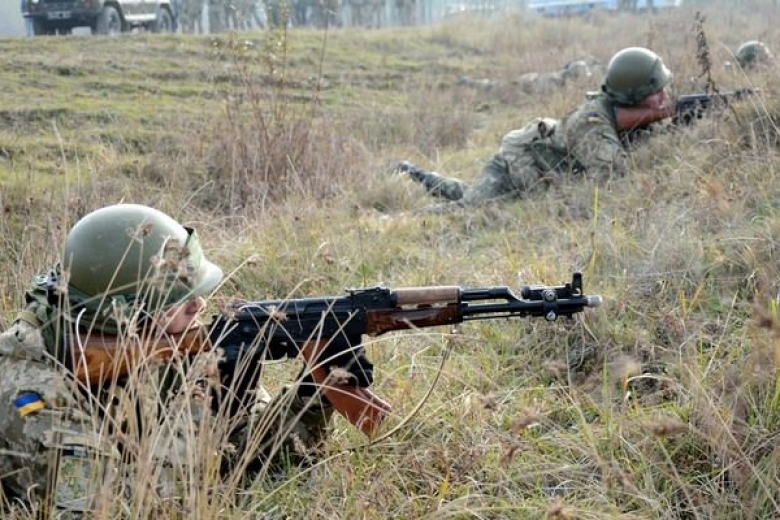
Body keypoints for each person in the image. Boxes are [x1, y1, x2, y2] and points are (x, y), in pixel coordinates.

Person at [0, 204, 367, 515]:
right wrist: (199, 415)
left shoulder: (164, 341)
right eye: (180, 299)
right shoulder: (28, 391)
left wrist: (314, 392)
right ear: (124, 315)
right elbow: (116, 508)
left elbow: (259, 454)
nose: (200, 305)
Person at [395, 46, 675, 207]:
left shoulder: (624, 112)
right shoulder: (591, 123)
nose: (664, 98)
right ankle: (397, 210)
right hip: (516, 164)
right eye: (657, 93)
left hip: (539, 165)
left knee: (466, 193)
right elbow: (611, 178)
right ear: (631, 95)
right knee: (468, 210)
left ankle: (417, 174)